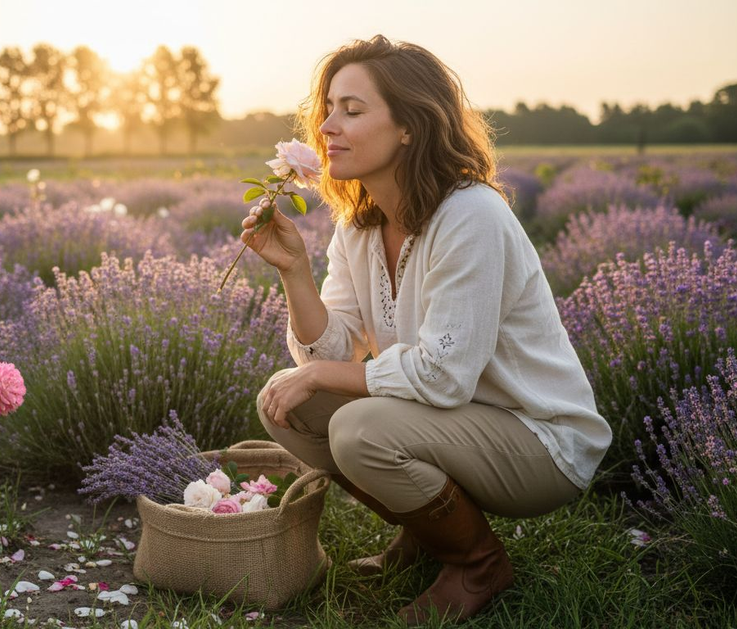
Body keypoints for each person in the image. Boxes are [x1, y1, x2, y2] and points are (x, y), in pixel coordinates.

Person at [241, 36, 612, 625]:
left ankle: (478, 564)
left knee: (360, 427)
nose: (327, 126)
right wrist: (294, 274)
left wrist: (318, 373)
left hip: (538, 440)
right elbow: (335, 347)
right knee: (285, 403)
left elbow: (442, 376)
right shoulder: (360, 226)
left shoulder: (471, 214)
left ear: (410, 125)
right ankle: (427, 537)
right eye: (328, 108)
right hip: (451, 423)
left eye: (353, 110)